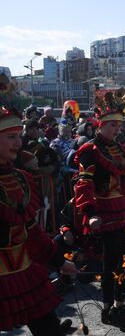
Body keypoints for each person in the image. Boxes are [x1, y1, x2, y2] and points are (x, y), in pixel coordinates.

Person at [0, 82, 77, 335]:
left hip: (23, 270)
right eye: (10, 137)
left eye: (18, 136)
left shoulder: (22, 177)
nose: (18, 142)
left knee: (48, 329)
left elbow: (31, 230)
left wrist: (58, 261)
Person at [72, 89, 125, 332]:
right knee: (123, 259)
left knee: (114, 262)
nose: (117, 129)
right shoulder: (90, 151)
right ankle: (116, 308)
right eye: (113, 125)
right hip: (103, 213)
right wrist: (91, 212)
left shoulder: (119, 149)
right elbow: (83, 184)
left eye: (119, 125)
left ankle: (110, 309)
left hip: (120, 212)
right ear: (100, 125)